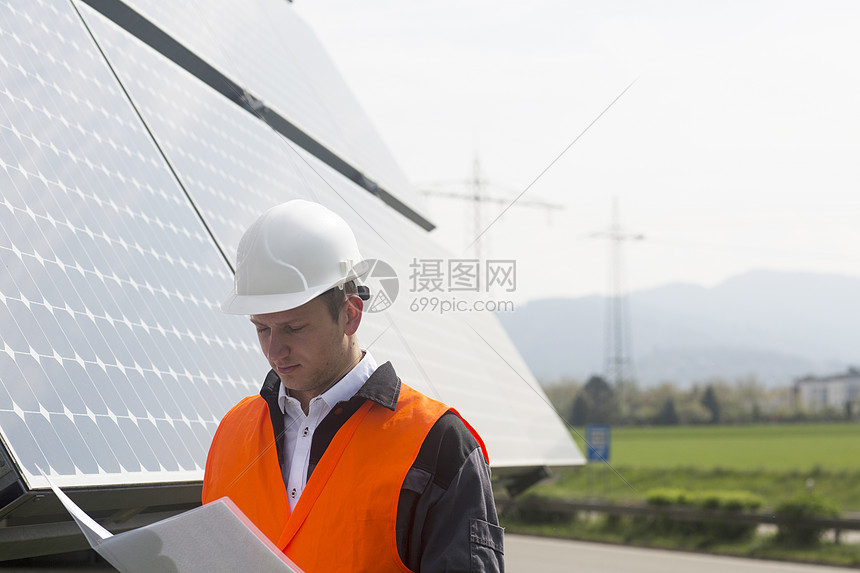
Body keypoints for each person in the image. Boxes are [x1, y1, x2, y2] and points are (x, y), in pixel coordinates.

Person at [202, 200, 504, 572]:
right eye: (261, 329)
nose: (275, 350)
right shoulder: (233, 430)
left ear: (350, 314)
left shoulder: (436, 443)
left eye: (294, 328)